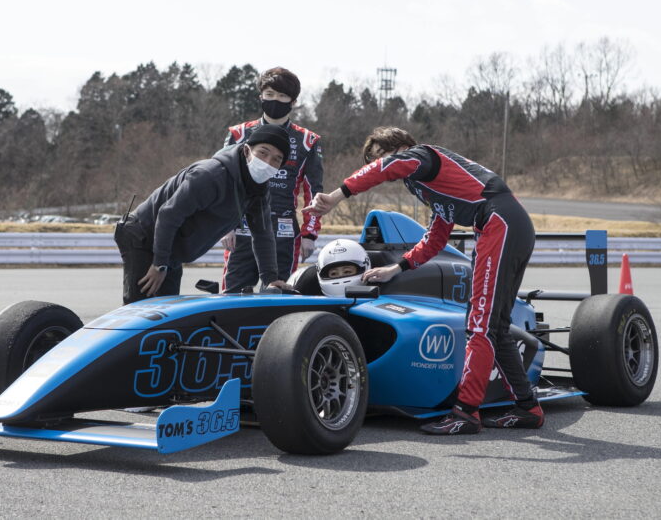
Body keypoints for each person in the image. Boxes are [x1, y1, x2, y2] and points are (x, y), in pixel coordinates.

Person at [303, 126, 543, 435]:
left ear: (403, 147)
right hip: (503, 224)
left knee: (480, 324)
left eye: (382, 156)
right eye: (373, 159)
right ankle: (527, 407)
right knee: (493, 326)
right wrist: (397, 268)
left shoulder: (424, 157)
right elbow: (436, 237)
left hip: (500, 222)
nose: (380, 164)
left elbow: (387, 167)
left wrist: (336, 196)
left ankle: (466, 412)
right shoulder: (425, 186)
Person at [114, 124, 294, 305]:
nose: (268, 162)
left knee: (165, 310)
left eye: (276, 159)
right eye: (263, 153)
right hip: (142, 235)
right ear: (247, 151)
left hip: (170, 250)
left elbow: (263, 234)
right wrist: (159, 264)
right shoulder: (211, 175)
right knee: (139, 308)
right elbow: (168, 215)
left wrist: (270, 278)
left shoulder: (259, 190)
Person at [220, 67, 324, 293]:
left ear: (293, 101)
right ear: (260, 96)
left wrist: (309, 234)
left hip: (284, 231)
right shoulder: (239, 133)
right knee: (233, 296)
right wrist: (225, 225)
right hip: (242, 228)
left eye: (281, 96)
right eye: (269, 95)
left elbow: (314, 190)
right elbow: (225, 180)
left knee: (279, 296)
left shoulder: (307, 140)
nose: (274, 100)